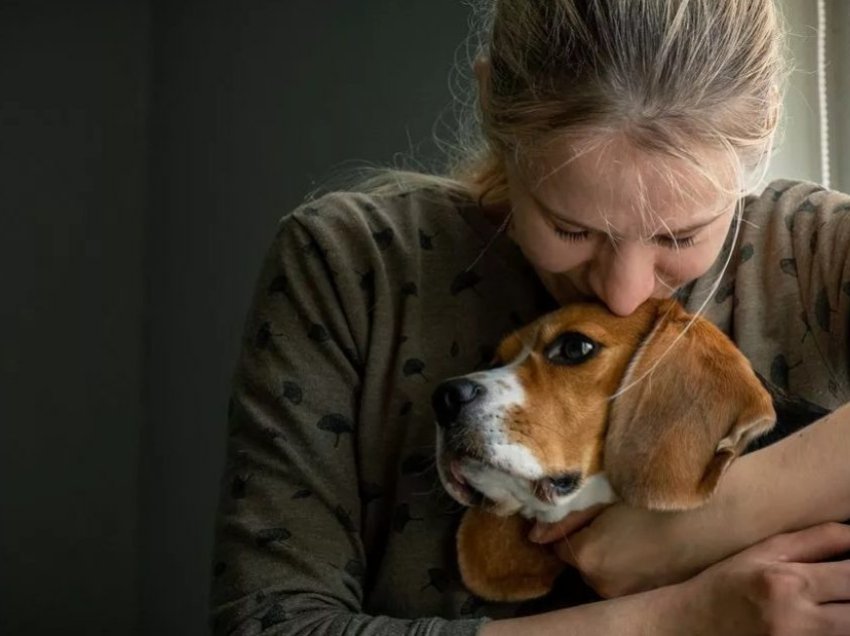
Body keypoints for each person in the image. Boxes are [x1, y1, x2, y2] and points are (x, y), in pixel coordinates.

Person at [210, 1, 850, 634]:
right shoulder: (350, 263)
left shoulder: (816, 249)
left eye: (681, 236)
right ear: (492, 106)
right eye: (570, 228)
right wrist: (674, 619)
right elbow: (269, 624)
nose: (624, 294)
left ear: (765, 125)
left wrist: (697, 526)